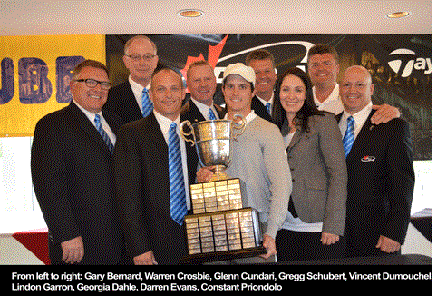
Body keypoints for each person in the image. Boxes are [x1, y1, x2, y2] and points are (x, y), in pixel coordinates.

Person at [31, 60, 126, 264]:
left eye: (104, 84)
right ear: (73, 86)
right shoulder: (52, 125)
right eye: (90, 82)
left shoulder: (117, 123)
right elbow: (48, 186)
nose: (98, 89)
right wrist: (66, 234)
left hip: (121, 243)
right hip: (79, 244)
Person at [197, 63, 292, 260]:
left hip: (256, 228)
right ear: (222, 90)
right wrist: (201, 176)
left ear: (252, 91)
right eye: (230, 86)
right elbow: (204, 172)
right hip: (216, 228)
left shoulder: (267, 130)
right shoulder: (212, 130)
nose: (235, 92)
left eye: (242, 86)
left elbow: (282, 186)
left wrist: (271, 232)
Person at [113, 67, 199, 265]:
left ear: (183, 93)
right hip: (152, 242)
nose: (168, 95)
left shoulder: (194, 132)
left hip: (194, 240)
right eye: (161, 89)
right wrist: (139, 246)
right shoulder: (131, 134)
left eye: (174, 89)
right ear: (150, 95)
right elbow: (127, 197)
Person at [337, 65, 414, 258]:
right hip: (334, 236)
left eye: (359, 85)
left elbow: (402, 184)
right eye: (346, 84)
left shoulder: (393, 127)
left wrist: (394, 232)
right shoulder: (328, 125)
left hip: (378, 237)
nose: (352, 90)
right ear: (339, 89)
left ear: (371, 89)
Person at [271, 67, 347, 262]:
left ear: (307, 94)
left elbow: (338, 174)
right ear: (278, 93)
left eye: (298, 90)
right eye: (286, 89)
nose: (291, 96)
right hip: (285, 228)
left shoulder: (323, 122)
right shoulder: (274, 129)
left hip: (319, 228)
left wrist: (332, 226)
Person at [307, 44, 400, 123]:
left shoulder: (353, 96)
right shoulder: (299, 99)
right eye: (315, 65)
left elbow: (383, 111)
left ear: (337, 68)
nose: (321, 68)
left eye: (327, 63)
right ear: (308, 70)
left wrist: (394, 112)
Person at [103, 35, 159, 124]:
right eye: (136, 57)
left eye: (147, 57)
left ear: (155, 61)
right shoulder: (109, 98)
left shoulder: (170, 95)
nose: (142, 63)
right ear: (126, 61)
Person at [245, 49, 276, 122]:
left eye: (267, 71)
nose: (263, 76)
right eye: (257, 72)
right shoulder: (244, 106)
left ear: (275, 74)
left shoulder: (287, 102)